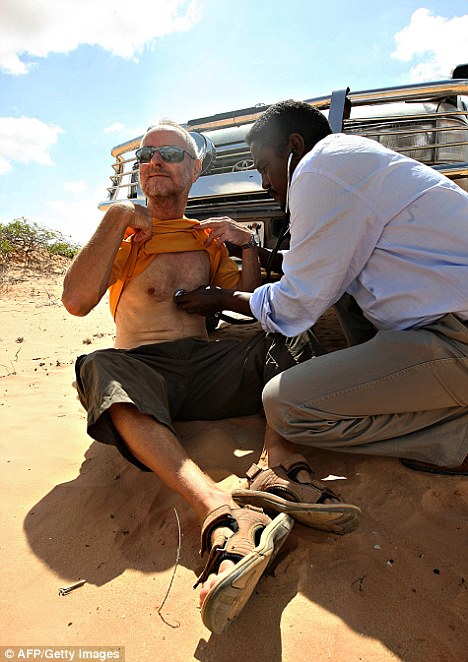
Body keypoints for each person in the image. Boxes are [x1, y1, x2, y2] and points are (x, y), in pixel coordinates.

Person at [62, 120, 361, 635]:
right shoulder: (126, 236)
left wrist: (244, 245)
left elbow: (246, 304)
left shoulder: (205, 238)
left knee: (283, 330)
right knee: (97, 365)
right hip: (143, 373)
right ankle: (218, 508)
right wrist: (118, 216)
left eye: (170, 154)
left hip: (205, 369)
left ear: (195, 170)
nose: (155, 161)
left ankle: (277, 467)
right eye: (146, 154)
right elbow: (76, 300)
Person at [175, 100, 468, 478]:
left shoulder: (318, 172)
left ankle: (455, 436)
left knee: (285, 406)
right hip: (446, 324)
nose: (264, 182)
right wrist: (257, 251)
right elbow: (326, 265)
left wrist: (222, 298)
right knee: (345, 295)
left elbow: (294, 306)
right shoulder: (348, 158)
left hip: (456, 339)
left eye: (265, 167)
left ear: (294, 147)